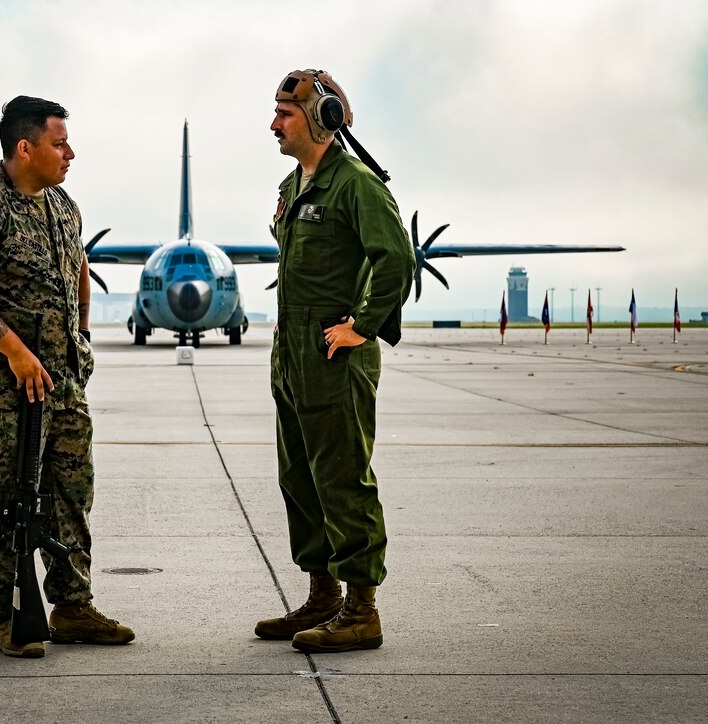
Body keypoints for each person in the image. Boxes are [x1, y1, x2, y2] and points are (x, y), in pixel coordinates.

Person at [0, 95, 134, 659]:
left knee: (72, 491)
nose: (70, 152)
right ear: (25, 147)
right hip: (5, 391)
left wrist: (82, 340)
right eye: (58, 142)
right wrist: (16, 352)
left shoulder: (63, 207)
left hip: (63, 382)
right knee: (8, 500)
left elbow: (79, 270)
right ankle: (9, 618)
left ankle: (74, 606)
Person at [255, 70, 415, 653]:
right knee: (299, 479)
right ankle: (321, 596)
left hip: (332, 358)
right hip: (292, 357)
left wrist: (362, 327)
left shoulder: (357, 185)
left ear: (322, 118)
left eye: (285, 114)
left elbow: (397, 258)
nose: (273, 124)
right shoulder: (294, 185)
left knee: (343, 478)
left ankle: (361, 610)